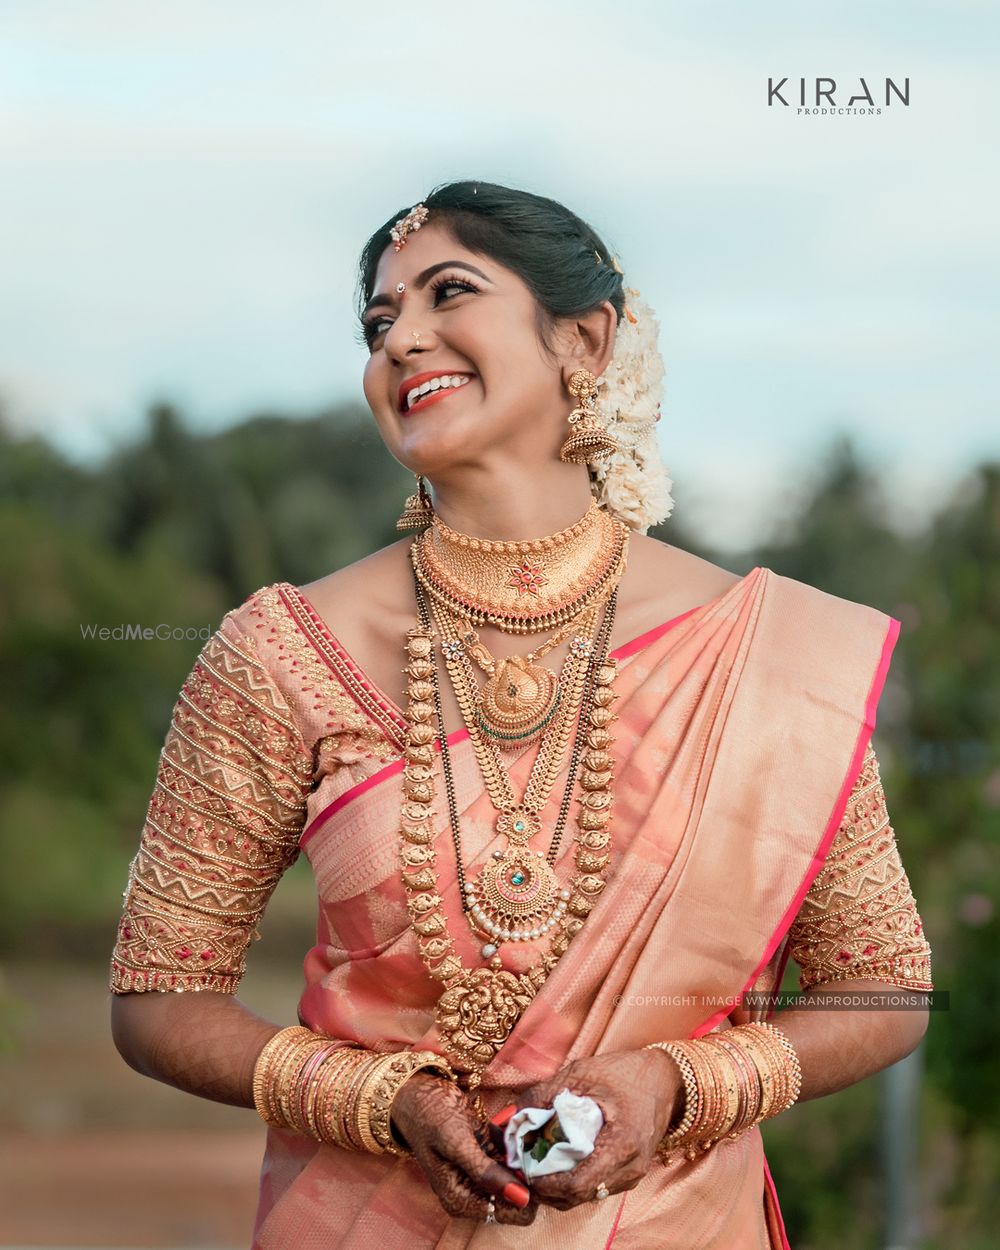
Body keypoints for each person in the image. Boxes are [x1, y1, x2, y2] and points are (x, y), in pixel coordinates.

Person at [109, 181, 933, 1249]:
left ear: (582, 338)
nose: (402, 338)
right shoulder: (281, 652)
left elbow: (883, 986)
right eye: (376, 322)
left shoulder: (761, 654)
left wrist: (682, 1085)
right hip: (366, 1218)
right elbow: (159, 998)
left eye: (448, 292)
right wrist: (379, 1099)